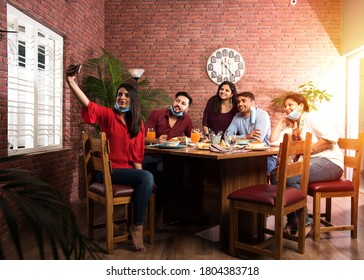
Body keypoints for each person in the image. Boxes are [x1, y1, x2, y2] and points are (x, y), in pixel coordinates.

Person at [65, 64, 154, 252]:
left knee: (147, 178)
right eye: (119, 94)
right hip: (107, 172)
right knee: (147, 177)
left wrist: (143, 178)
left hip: (127, 172)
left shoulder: (137, 123)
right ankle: (137, 227)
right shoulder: (107, 115)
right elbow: (88, 104)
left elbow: (137, 156)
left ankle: (134, 223)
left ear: (133, 100)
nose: (122, 98)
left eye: (126, 95)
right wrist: (71, 82)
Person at [269, 93, 344, 236]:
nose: (287, 108)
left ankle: (305, 222)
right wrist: (281, 121)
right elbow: (273, 141)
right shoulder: (295, 125)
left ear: (301, 106)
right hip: (313, 163)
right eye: (285, 106)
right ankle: (293, 220)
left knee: (289, 177)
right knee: (275, 174)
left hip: (330, 163)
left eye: (290, 105)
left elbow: (332, 137)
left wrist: (306, 151)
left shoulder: (311, 117)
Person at [143, 91, 193, 214]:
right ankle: (152, 212)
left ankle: (160, 213)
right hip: (149, 156)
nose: (178, 104)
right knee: (162, 179)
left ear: (187, 108)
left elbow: (192, 138)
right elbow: (143, 137)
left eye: (183, 103)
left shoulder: (186, 120)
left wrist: (186, 139)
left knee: (174, 177)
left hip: (168, 159)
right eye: (177, 101)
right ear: (173, 101)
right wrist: (155, 140)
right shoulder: (157, 114)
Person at [225, 91, 275, 174]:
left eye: (244, 101)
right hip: (243, 156)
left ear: (252, 102)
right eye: (238, 102)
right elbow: (226, 137)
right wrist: (246, 136)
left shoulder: (262, 115)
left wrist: (236, 139)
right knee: (228, 169)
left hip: (264, 156)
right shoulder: (237, 117)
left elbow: (257, 141)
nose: (240, 104)